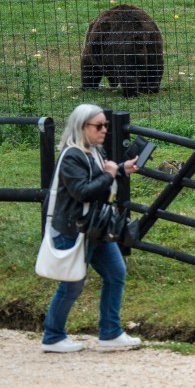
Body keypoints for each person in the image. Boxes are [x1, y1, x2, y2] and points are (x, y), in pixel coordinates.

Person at [41, 104, 142, 353]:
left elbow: (98, 178)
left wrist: (120, 169)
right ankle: (53, 336)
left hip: (94, 228)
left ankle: (110, 333)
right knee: (72, 283)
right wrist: (110, 174)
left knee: (115, 273)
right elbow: (83, 192)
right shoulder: (72, 156)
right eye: (98, 126)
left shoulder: (93, 151)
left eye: (105, 125)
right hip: (74, 230)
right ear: (82, 127)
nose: (104, 129)